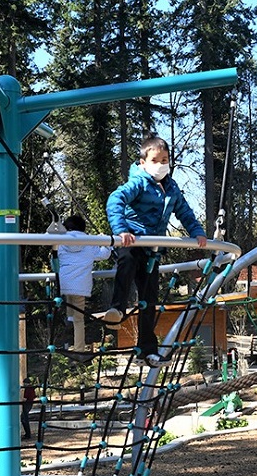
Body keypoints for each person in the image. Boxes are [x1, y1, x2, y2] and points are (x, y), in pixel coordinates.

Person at [105, 136, 207, 366]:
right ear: (143, 162)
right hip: (133, 240)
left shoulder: (171, 188)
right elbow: (115, 199)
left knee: (149, 299)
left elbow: (185, 212)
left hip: (152, 250)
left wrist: (197, 231)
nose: (161, 164)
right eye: (155, 160)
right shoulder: (139, 182)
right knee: (127, 263)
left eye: (165, 159)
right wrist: (121, 229)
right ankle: (117, 308)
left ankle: (146, 351)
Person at [56, 214, 112, 351]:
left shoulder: (61, 242)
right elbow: (104, 254)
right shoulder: (89, 242)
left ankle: (68, 322)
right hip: (80, 286)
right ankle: (79, 349)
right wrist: (105, 241)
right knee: (79, 320)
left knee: (69, 305)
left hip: (65, 284)